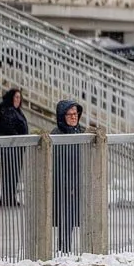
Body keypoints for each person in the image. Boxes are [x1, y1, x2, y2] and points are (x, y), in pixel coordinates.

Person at [53, 99, 84, 251]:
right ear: (62, 116)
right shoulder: (58, 135)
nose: (74, 117)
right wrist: (67, 184)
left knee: (76, 218)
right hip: (64, 186)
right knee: (65, 219)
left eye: (75, 113)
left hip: (79, 184)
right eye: (70, 114)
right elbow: (58, 165)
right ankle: (63, 249)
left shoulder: (81, 132)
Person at [0, 89, 28, 207]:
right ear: (11, 98)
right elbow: (8, 126)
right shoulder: (5, 109)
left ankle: (10, 197)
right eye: (16, 97)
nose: (18, 100)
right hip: (8, 147)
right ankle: (6, 198)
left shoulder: (17, 111)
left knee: (15, 173)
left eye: (20, 97)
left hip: (17, 147)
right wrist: (19, 138)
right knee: (9, 172)